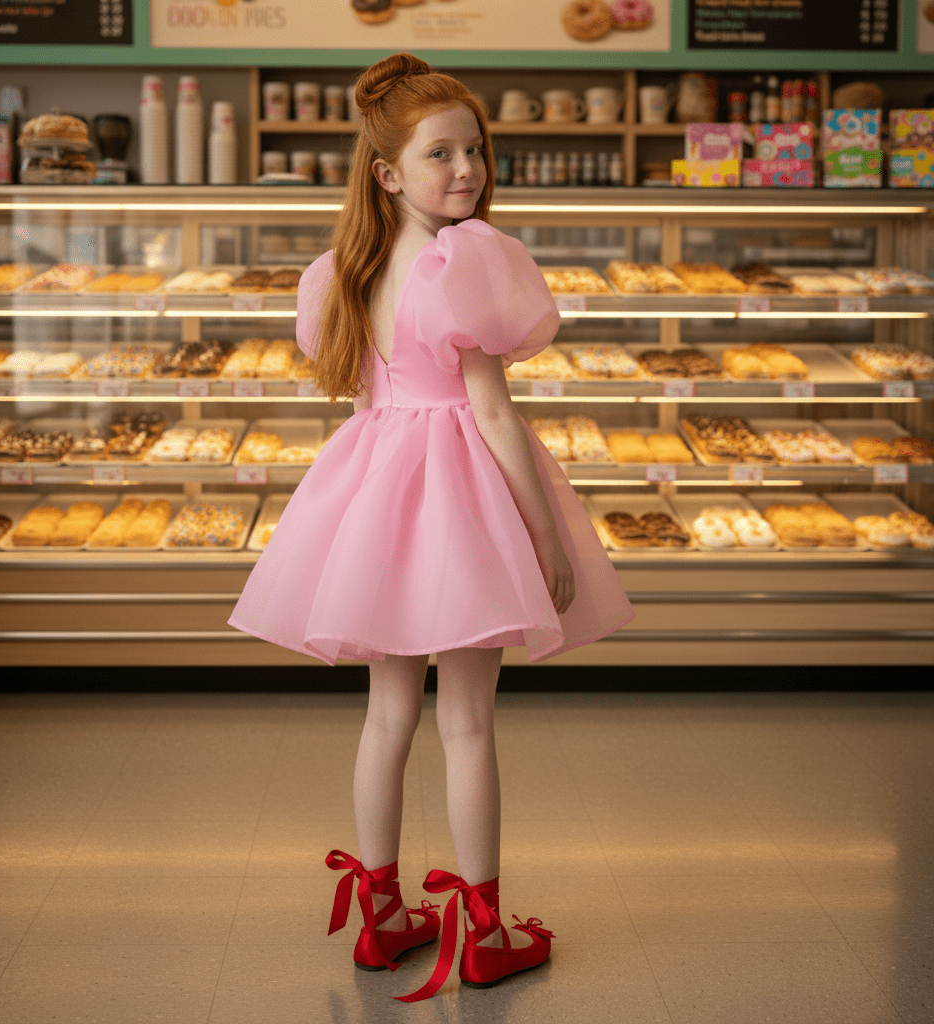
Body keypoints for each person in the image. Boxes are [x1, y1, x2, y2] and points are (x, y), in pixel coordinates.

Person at [228, 52, 633, 1001]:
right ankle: (485, 931)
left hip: (379, 495)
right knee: (470, 720)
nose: (466, 170)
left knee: (386, 716)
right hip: (465, 503)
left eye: (475, 151)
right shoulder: (467, 259)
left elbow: (371, 389)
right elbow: (491, 416)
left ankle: (382, 916)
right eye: (440, 153)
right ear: (387, 172)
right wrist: (543, 539)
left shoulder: (345, 270)